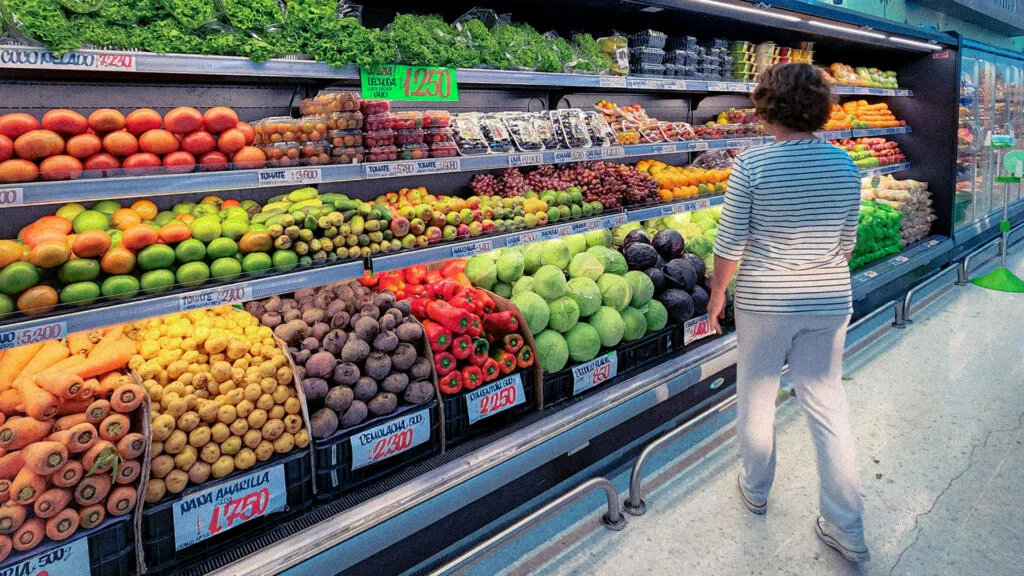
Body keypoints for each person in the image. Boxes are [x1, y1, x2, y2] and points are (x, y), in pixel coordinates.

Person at [706, 63, 869, 563]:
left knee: (757, 393)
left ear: (767, 108)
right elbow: (846, 245)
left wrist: (716, 298)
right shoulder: (845, 166)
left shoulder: (753, 166)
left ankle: (755, 490)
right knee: (826, 402)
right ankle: (848, 527)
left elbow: (730, 244)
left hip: (767, 302)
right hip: (827, 300)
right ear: (820, 109)